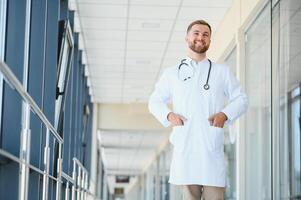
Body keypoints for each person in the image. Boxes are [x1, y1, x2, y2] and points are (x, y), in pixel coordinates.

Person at [148, 20, 248, 200]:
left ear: (209, 40)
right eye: (196, 33)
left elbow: (241, 99)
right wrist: (170, 116)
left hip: (211, 151)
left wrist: (224, 114)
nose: (200, 38)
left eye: (205, 34)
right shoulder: (172, 74)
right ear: (187, 38)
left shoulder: (221, 72)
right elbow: (154, 101)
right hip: (186, 150)